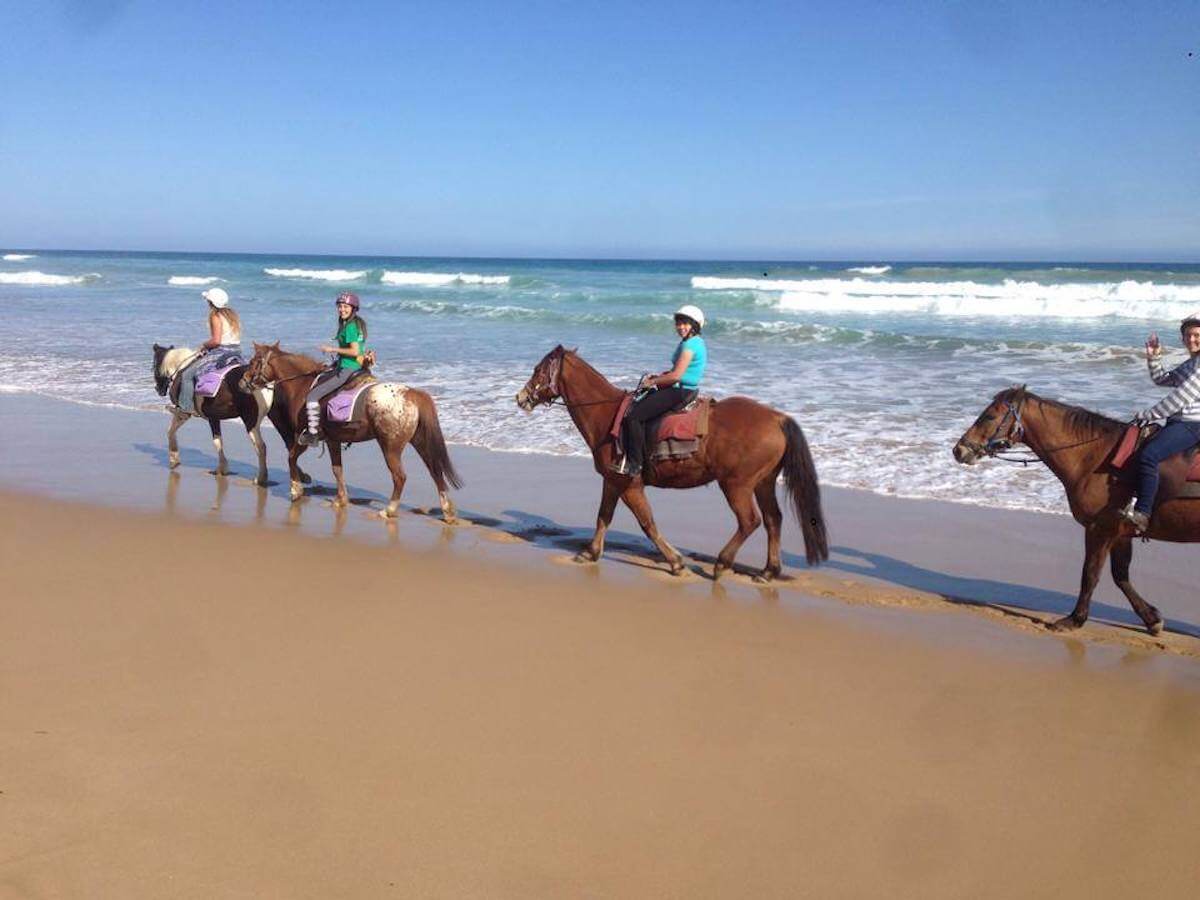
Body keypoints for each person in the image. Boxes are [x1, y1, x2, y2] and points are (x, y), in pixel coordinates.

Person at [1121, 312, 1200, 530]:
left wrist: (1148, 414)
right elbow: (1164, 380)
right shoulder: (1191, 363)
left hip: (1193, 425)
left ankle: (1143, 513)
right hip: (1179, 423)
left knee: (1149, 456)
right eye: (1187, 336)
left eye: (1196, 335)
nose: (1191, 340)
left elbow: (1179, 399)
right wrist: (1154, 358)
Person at [614, 304, 708, 476]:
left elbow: (676, 376)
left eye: (685, 323)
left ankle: (636, 464)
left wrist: (653, 382)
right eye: (678, 324)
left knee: (633, 416)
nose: (680, 327)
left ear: (695, 325)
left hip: (680, 391)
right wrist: (658, 377)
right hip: (683, 389)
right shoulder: (693, 342)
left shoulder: (690, 346)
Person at [298, 291, 370, 446]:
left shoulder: (350, 326)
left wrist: (333, 350)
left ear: (353, 308)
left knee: (312, 396)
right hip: (353, 365)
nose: (342, 309)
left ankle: (313, 433)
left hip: (348, 368)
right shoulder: (356, 324)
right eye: (340, 306)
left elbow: (355, 351)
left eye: (345, 307)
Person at [177, 287, 243, 414]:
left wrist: (204, 345)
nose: (207, 303)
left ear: (211, 302)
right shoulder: (232, 315)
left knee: (187, 375)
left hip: (222, 352)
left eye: (208, 301)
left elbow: (216, 341)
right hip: (236, 351)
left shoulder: (215, 316)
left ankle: (185, 409)